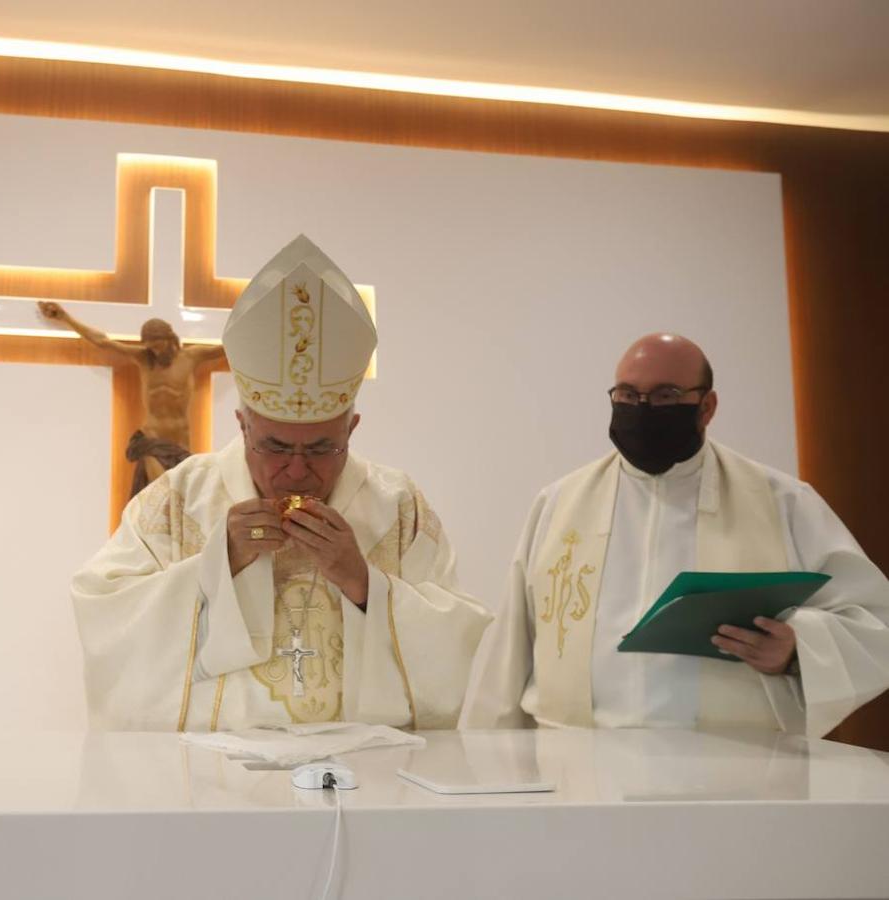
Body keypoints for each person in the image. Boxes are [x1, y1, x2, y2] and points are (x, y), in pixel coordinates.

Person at [72, 235, 491, 731]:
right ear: (242, 425)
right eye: (274, 447)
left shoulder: (397, 504)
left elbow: (454, 636)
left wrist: (363, 585)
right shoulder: (180, 497)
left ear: (351, 430)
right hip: (212, 782)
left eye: (320, 449)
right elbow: (104, 615)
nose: (295, 471)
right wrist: (216, 565)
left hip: (357, 781)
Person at [461, 333, 889, 736]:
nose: (642, 407)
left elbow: (876, 622)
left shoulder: (783, 502)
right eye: (628, 395)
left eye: (666, 395)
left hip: (732, 773)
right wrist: (482, 768)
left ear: (707, 406)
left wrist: (797, 648)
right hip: (575, 766)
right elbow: (511, 647)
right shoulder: (559, 504)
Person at [38, 302, 226, 495]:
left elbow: (226, 348)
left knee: (178, 504)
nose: (155, 352)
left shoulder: (192, 356)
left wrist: (256, 329)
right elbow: (103, 342)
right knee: (164, 492)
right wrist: (64, 317)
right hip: (152, 441)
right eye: (150, 347)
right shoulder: (143, 358)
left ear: (169, 338)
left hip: (181, 445)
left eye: (158, 346)